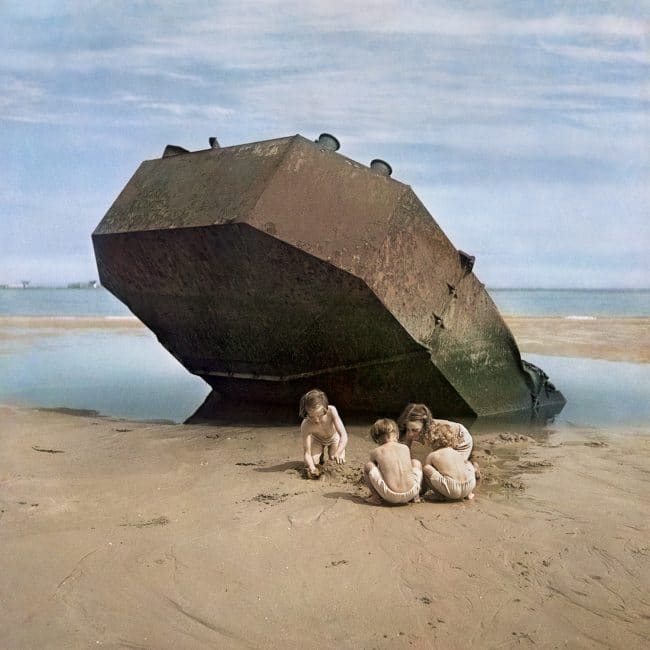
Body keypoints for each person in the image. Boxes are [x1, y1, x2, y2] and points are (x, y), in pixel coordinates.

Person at [363, 418, 423, 505]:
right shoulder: (405, 448)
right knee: (415, 462)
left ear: (376, 439)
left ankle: (375, 497)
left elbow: (373, 471)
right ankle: (416, 497)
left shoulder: (376, 451)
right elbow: (407, 468)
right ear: (397, 435)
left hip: (391, 495)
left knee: (368, 466)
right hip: (411, 491)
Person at [397, 402, 474, 461]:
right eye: (408, 429)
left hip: (461, 439)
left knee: (449, 466)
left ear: (424, 425)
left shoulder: (434, 433)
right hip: (447, 438)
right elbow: (407, 444)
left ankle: (472, 466)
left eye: (414, 430)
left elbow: (444, 453)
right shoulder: (415, 429)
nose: (410, 434)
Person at [299, 389, 348, 479]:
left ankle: (334, 453)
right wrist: (312, 467)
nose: (316, 420)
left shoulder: (332, 411)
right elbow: (307, 452)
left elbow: (343, 435)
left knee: (336, 460)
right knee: (311, 462)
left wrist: (339, 452)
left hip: (334, 437)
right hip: (317, 439)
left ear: (324, 408)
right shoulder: (305, 425)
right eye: (312, 416)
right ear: (306, 411)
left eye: (319, 415)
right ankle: (320, 456)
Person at [422, 425, 477, 501]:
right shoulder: (456, 452)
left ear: (431, 441)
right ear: (451, 440)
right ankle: (469, 494)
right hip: (469, 484)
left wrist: (423, 490)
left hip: (452, 489)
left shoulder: (433, 455)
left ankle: (438, 495)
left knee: (426, 468)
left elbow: (427, 476)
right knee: (467, 463)